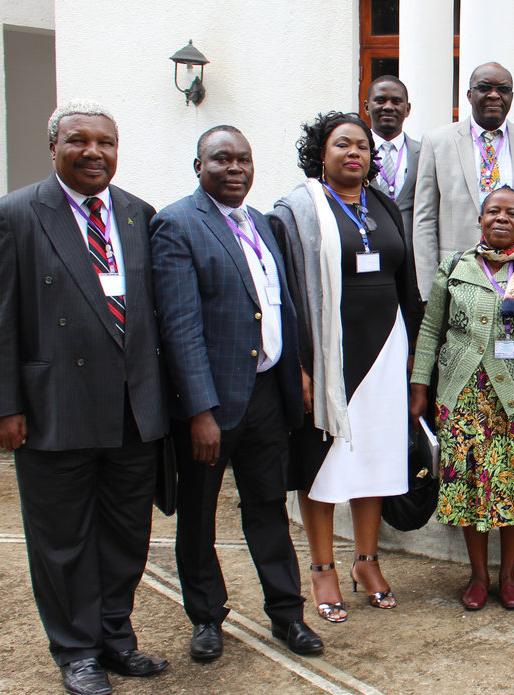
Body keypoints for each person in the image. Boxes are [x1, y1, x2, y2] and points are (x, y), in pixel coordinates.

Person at [0, 101, 169, 695]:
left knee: (126, 533)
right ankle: (76, 651)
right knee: (63, 540)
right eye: (79, 141)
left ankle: (115, 636)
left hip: (132, 409)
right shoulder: (17, 214)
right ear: (54, 149)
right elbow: (2, 320)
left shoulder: (137, 215)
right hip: (55, 407)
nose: (94, 152)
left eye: (106, 142)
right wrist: (7, 405)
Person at [151, 126, 322, 660]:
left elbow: (279, 304)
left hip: (267, 393)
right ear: (198, 165)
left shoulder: (264, 224)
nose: (234, 169)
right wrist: (201, 410)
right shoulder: (178, 224)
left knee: (267, 505)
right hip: (211, 404)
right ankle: (206, 617)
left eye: (243, 159)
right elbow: (180, 326)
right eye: (221, 159)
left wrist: (295, 366)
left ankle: (287, 615)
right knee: (200, 513)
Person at [270, 111, 422, 619]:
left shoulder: (382, 203)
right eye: (342, 145)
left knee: (375, 457)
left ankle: (366, 561)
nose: (354, 153)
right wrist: (300, 365)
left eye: (361, 145)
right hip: (328, 353)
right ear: (321, 153)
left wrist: (416, 352)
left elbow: (406, 282)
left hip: (385, 347)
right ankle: (321, 570)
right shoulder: (296, 210)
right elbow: (286, 295)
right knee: (323, 463)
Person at [409, 186, 514, 611]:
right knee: (470, 490)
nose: (501, 218)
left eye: (511, 213)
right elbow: (430, 331)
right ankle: (478, 576)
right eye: (493, 211)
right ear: (480, 220)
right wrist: (420, 386)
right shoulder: (455, 267)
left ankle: (510, 573)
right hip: (463, 398)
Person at [413, 62, 514, 299]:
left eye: (503, 89)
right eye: (485, 88)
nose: (494, 95)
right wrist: (428, 290)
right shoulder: (437, 142)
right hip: (456, 274)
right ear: (469, 94)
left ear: (511, 97)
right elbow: (424, 219)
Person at [364, 75, 421, 247]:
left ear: (407, 109)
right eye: (380, 100)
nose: (388, 107)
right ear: (366, 107)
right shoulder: (355, 154)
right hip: (367, 249)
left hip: (411, 256)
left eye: (396, 101)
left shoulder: (424, 153)